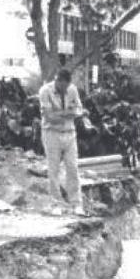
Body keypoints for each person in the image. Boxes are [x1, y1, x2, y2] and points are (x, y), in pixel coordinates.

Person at [37, 65, 84, 207]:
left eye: (66, 87)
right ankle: (56, 203)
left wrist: (62, 113)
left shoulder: (72, 89)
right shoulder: (45, 91)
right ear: (57, 81)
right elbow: (49, 117)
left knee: (73, 167)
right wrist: (67, 113)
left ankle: (76, 202)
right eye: (62, 87)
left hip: (69, 133)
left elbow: (79, 110)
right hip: (52, 133)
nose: (64, 91)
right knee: (53, 169)